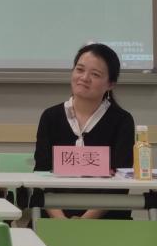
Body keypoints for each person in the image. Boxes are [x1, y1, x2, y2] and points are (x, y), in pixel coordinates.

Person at [33, 42, 135, 219]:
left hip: (106, 218)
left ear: (110, 84)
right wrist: (60, 220)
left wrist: (85, 220)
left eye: (95, 74)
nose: (84, 78)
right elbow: (41, 174)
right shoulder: (51, 117)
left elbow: (121, 181)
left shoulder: (122, 121)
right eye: (79, 70)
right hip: (53, 215)